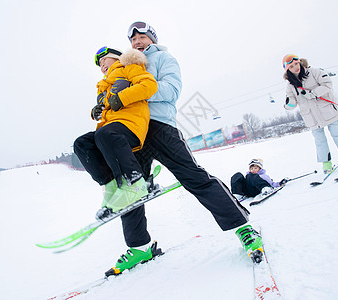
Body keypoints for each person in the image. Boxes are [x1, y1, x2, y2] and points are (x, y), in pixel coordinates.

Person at [104, 21, 262, 276]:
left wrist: (137, 91)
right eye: (132, 40)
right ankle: (140, 247)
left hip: (161, 127)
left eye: (141, 37)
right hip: (134, 131)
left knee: (195, 178)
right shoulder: (126, 65)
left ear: (151, 38)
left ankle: (242, 227)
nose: (136, 42)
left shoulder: (164, 58)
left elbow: (172, 90)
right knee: (130, 189)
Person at [73, 46, 157, 219]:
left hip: (132, 124)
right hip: (111, 130)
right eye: (99, 64)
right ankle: (112, 188)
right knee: (82, 144)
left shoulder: (129, 67)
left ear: (117, 57)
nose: (102, 65)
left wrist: (121, 98)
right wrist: (97, 110)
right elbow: (108, 109)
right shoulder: (103, 86)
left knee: (105, 134)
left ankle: (135, 183)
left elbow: (149, 85)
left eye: (105, 60)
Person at [282, 54, 338, 173]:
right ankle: (326, 164)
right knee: (320, 140)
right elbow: (292, 102)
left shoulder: (314, 72)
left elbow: (327, 84)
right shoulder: (290, 85)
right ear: (287, 70)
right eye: (291, 66)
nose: (296, 67)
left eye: (296, 64)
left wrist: (314, 93)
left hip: (328, 111)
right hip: (311, 117)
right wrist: (288, 104)